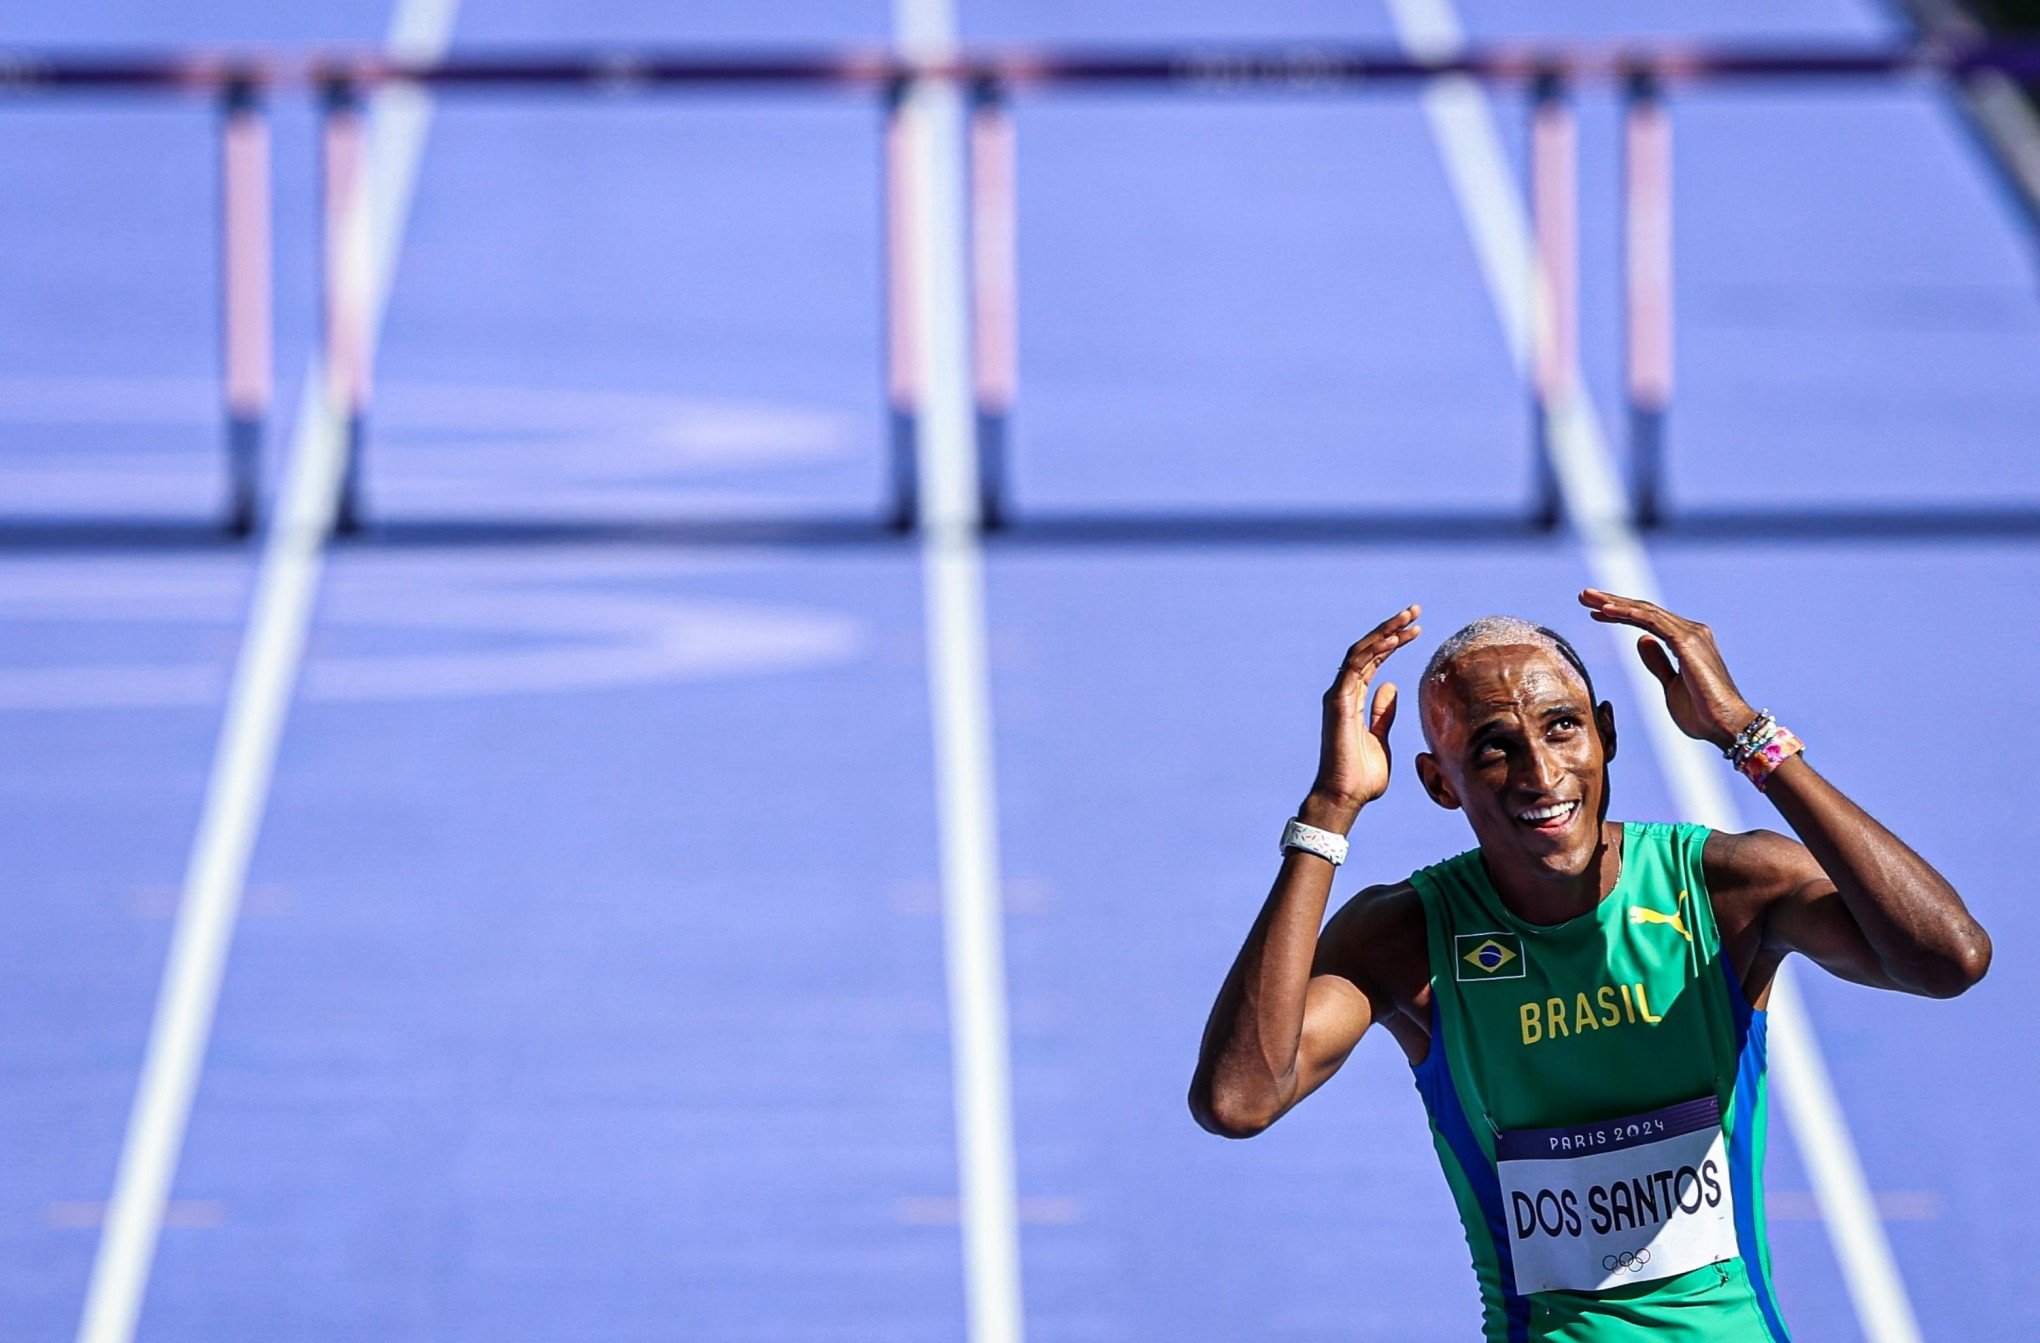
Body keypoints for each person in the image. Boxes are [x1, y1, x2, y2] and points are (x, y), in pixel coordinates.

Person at [1188, 592, 1990, 1342]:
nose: (1541, 774)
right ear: (1439, 782)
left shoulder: (1720, 891)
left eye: (1563, 726)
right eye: (1493, 749)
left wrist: (1747, 733)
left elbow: (1947, 957)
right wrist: (1331, 807)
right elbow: (1238, 1097)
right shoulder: (1409, 938)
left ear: (1607, 732)